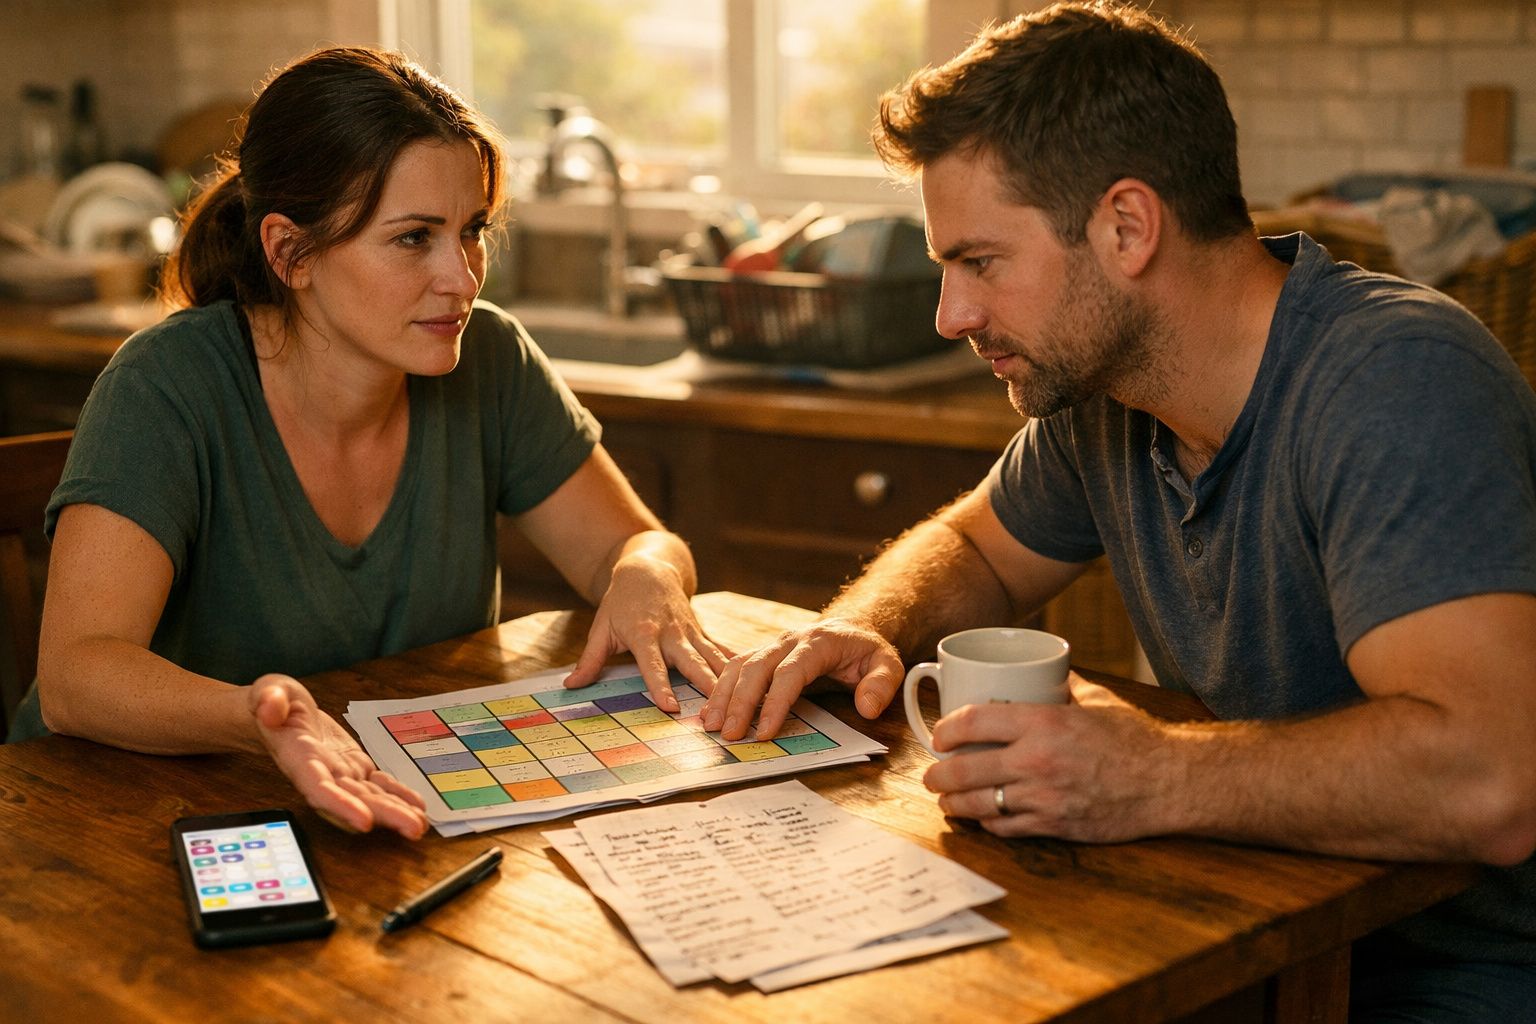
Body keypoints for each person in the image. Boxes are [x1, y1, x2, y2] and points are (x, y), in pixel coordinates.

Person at [700, 4, 1536, 1019]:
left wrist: (1153, 774)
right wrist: (865, 628)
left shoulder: (1397, 379)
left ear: (1127, 228)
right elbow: (976, 549)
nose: (952, 315)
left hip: (1463, 975)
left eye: (980, 262)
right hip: (1247, 933)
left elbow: (1492, 782)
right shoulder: (1107, 394)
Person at [14, 47, 729, 840]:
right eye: (414, 238)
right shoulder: (166, 384)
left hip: (378, 803)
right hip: (105, 822)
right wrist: (259, 717)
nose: (462, 278)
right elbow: (75, 676)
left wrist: (645, 574)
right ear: (290, 252)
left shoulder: (490, 358)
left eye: (472, 230)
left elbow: (633, 545)